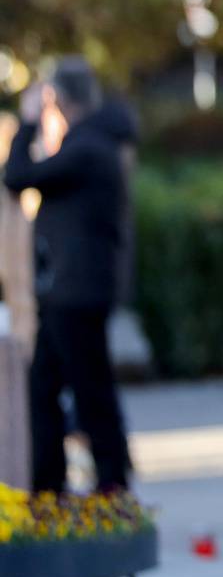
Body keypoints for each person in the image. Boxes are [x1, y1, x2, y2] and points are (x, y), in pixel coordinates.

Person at [4, 58, 132, 496]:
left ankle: (110, 484)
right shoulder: (92, 144)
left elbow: (17, 176)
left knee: (88, 390)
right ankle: (52, 484)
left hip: (74, 293)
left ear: (59, 99)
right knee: (46, 389)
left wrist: (27, 122)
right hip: (69, 291)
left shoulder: (87, 148)